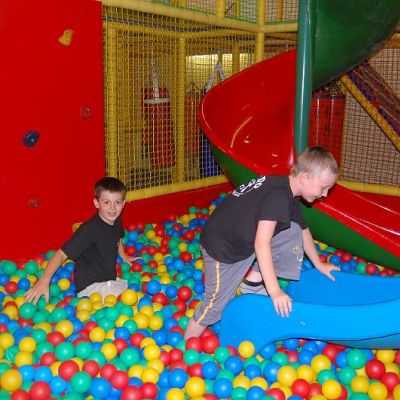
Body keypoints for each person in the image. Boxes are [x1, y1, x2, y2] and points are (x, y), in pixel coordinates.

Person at [184, 146, 341, 339]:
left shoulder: (287, 191)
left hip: (243, 239)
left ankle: (252, 282)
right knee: (215, 306)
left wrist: (319, 264)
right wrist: (275, 291)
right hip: (223, 249)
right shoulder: (279, 196)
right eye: (323, 187)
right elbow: (261, 244)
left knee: (292, 230)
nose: (324, 194)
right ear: (305, 177)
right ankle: (186, 345)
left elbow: (301, 229)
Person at [25, 177, 138, 304]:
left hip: (109, 279)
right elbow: (61, 254)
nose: (112, 208)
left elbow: (117, 237)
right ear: (96, 203)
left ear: (123, 204)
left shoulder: (116, 220)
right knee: (130, 300)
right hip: (91, 287)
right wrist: (43, 281)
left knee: (135, 289)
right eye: (106, 202)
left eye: (117, 202)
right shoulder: (89, 230)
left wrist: (124, 255)